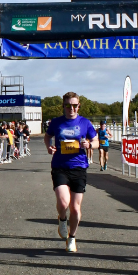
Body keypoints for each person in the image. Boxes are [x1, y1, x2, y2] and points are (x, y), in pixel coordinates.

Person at [43, 92, 97, 253]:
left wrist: (89, 145)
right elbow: (47, 137)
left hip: (79, 167)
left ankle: (71, 238)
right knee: (63, 203)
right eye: (68, 105)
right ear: (63, 106)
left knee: (75, 207)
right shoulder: (57, 122)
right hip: (60, 166)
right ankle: (62, 218)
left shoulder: (85, 123)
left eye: (74, 105)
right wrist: (49, 146)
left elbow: (95, 141)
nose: (71, 108)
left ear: (78, 106)